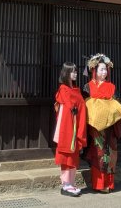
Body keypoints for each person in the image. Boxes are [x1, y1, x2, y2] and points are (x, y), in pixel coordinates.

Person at [83, 53, 121, 193]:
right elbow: (85, 106)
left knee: (111, 153)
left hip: (110, 128)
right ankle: (99, 184)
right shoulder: (88, 87)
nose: (104, 72)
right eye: (101, 69)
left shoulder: (112, 87)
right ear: (94, 70)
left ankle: (110, 184)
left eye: (106, 69)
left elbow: (117, 105)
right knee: (99, 153)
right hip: (96, 128)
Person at [53, 62, 87, 197]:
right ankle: (66, 184)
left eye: (76, 71)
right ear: (66, 73)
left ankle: (71, 184)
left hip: (76, 124)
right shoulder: (63, 89)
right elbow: (67, 107)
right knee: (67, 155)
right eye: (72, 71)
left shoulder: (76, 89)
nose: (75, 74)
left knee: (74, 156)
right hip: (68, 127)